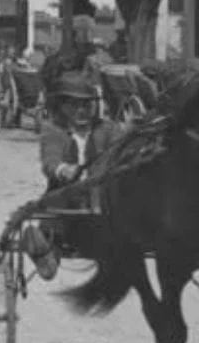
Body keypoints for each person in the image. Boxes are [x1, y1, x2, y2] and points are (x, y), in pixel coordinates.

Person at [21, 71, 125, 281]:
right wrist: (63, 169)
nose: (81, 110)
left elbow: (121, 150)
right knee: (57, 223)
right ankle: (45, 251)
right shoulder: (53, 130)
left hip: (103, 200)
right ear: (60, 106)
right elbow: (50, 160)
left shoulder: (108, 129)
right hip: (66, 199)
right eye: (73, 105)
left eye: (86, 104)